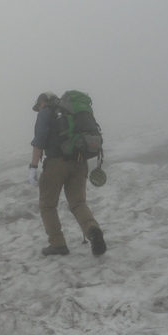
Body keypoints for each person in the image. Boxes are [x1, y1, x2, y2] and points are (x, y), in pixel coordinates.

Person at [29, 92, 106, 256]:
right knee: (78, 203)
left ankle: (58, 244)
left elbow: (39, 141)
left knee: (48, 205)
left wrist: (33, 167)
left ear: (42, 102)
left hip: (56, 163)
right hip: (79, 161)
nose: (39, 108)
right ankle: (93, 230)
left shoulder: (46, 112)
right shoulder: (69, 111)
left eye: (39, 105)